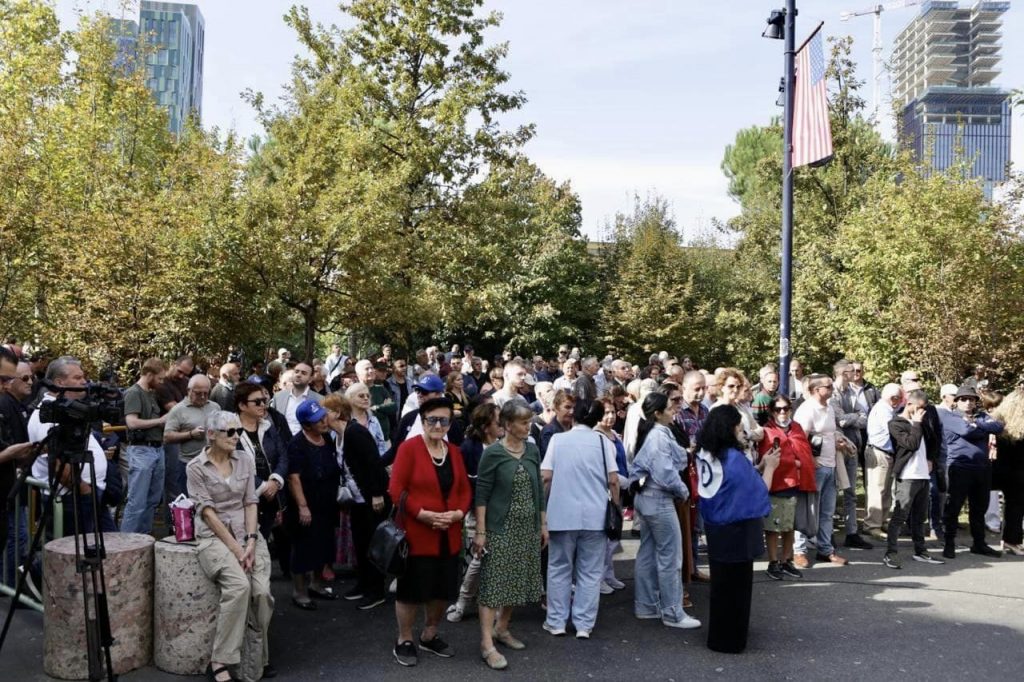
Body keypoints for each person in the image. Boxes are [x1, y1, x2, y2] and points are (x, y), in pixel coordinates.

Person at [186, 410, 275, 682]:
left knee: (261, 593)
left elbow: (251, 502)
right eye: (231, 432)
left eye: (239, 431)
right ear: (211, 434)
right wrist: (237, 550)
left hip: (247, 533)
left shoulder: (245, 460)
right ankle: (220, 660)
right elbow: (208, 514)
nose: (237, 436)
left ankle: (256, 656)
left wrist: (249, 541)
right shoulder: (195, 467)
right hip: (214, 537)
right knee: (239, 586)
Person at [388, 397, 472, 667]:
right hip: (417, 533)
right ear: (422, 421)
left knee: (441, 590)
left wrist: (458, 513)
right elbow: (396, 489)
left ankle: (429, 634)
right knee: (411, 591)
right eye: (432, 419)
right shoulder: (408, 449)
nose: (438, 424)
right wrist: (422, 514)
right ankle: (404, 639)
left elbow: (464, 490)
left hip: (449, 533)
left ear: (450, 422)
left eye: (443, 420)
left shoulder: (455, 452)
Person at [696, 405, 774, 654]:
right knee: (737, 588)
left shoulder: (706, 451)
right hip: (737, 527)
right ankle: (732, 639)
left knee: (721, 587)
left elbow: (732, 483)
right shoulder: (733, 457)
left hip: (716, 524)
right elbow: (759, 491)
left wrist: (759, 466)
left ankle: (718, 636)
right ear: (729, 427)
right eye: (739, 425)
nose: (742, 430)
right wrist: (770, 467)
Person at [473, 401, 546, 670]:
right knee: (493, 585)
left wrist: (542, 523)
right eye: (523, 422)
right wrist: (481, 531)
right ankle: (486, 644)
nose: (529, 426)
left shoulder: (533, 450)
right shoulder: (492, 453)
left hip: (527, 528)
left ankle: (502, 629)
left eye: (529, 421)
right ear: (507, 425)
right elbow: (481, 494)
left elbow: (538, 486)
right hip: (499, 528)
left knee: (517, 579)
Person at [541, 400, 619, 639]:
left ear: (573, 416)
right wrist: (616, 506)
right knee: (590, 571)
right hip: (595, 515)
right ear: (596, 418)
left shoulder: (558, 440)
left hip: (561, 513)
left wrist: (542, 510)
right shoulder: (603, 442)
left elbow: (546, 477)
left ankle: (556, 621)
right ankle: (584, 624)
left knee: (559, 568)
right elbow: (613, 480)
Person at [629, 393, 701, 629]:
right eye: (669, 408)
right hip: (659, 499)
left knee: (649, 553)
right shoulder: (658, 435)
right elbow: (664, 471)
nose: (674, 410)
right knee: (670, 557)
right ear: (657, 413)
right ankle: (672, 612)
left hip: (648, 497)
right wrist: (682, 490)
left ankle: (647, 605)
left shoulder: (654, 433)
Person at [29, 357, 115, 536]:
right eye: (77, 378)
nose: (84, 382)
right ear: (59, 382)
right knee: (72, 556)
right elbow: (57, 463)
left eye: (83, 377)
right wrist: (85, 491)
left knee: (109, 547)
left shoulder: (69, 409)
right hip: (72, 499)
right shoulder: (48, 415)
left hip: (86, 494)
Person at [321, 393, 391, 609]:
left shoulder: (356, 433)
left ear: (336, 413)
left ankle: (376, 590)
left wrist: (377, 493)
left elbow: (373, 463)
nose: (322, 417)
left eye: (325, 412)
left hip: (371, 498)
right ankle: (363, 584)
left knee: (373, 544)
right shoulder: (338, 436)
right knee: (360, 543)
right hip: (357, 499)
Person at [447, 403, 501, 623]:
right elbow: (461, 482)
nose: (503, 425)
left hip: (501, 512)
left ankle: (494, 606)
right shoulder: (469, 448)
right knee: (479, 559)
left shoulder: (504, 446)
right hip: (477, 513)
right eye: (498, 422)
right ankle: (463, 601)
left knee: (497, 561)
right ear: (486, 425)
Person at [285, 400, 342, 609]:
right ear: (306, 425)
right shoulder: (297, 444)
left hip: (327, 502)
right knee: (303, 547)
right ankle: (299, 592)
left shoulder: (326, 438)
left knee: (325, 545)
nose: (323, 422)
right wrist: (302, 506)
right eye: (317, 420)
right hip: (306, 504)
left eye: (323, 416)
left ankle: (316, 584)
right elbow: (294, 478)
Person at [938, 385, 1004, 558]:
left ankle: (979, 543)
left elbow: (998, 427)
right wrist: (979, 427)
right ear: (956, 401)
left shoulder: (981, 416)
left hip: (982, 468)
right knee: (954, 507)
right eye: (963, 399)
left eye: (971, 399)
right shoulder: (950, 417)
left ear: (976, 402)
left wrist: (976, 424)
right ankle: (949, 543)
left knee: (979, 508)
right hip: (960, 467)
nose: (967, 402)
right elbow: (965, 431)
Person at [882, 389, 945, 569]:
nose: (922, 412)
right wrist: (916, 423)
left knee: (920, 517)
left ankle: (921, 551)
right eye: (919, 408)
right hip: (908, 475)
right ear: (909, 404)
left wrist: (931, 458)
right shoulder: (896, 423)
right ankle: (891, 552)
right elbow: (911, 444)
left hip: (923, 474)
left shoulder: (922, 421)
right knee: (900, 516)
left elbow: (933, 439)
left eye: (924, 409)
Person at [792, 374, 851, 568]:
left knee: (827, 511)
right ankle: (799, 550)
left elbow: (829, 433)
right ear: (817, 390)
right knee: (808, 510)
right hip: (815, 468)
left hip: (831, 465)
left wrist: (838, 441)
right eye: (828, 386)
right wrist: (810, 459)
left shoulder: (829, 407)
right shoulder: (807, 410)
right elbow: (798, 439)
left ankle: (825, 550)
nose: (832, 388)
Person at [759, 394, 815, 580]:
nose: (782, 412)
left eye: (786, 408)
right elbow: (768, 458)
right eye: (778, 409)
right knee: (774, 526)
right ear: (772, 411)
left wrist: (801, 464)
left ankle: (786, 561)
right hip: (776, 483)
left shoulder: (797, 427)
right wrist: (794, 463)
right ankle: (773, 563)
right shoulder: (767, 431)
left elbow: (805, 452)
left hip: (796, 484)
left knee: (790, 525)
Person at [233, 382, 289, 542]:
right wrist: (263, 486)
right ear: (242, 405)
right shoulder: (230, 429)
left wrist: (275, 481)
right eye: (257, 402)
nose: (263, 405)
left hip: (272, 497)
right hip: (244, 499)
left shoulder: (268, 426)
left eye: (264, 401)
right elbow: (234, 464)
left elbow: (283, 455)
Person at [121, 357, 169, 534]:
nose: (161, 382)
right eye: (160, 378)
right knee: (137, 501)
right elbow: (132, 422)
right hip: (141, 449)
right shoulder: (134, 393)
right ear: (150, 375)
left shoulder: (150, 393)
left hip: (156, 448)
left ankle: (144, 538)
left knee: (152, 500)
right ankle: (127, 543)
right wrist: (160, 421)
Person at [164, 375, 221, 498]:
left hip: (213, 463)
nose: (202, 396)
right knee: (188, 502)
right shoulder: (178, 410)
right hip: (188, 464)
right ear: (189, 391)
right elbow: (167, 436)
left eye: (206, 393)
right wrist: (190, 434)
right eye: (198, 393)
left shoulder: (215, 407)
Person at [595, 396, 628, 593]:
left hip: (620, 489)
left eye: (612, 412)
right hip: (607, 492)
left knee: (614, 537)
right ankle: (599, 578)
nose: (610, 416)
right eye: (605, 412)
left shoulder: (614, 434)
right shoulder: (597, 437)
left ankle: (609, 574)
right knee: (605, 537)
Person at [992, 386, 1024, 555]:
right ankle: (1012, 541)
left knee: (1013, 506)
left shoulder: (1000, 425)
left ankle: (1011, 540)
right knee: (1015, 506)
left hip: (1003, 469)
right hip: (1015, 471)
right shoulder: (1017, 429)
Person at [271, 363, 324, 436]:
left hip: (306, 443)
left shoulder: (319, 399)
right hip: (281, 442)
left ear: (310, 379)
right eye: (296, 372)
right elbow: (271, 421)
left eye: (304, 373)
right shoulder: (279, 397)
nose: (298, 375)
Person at [345, 382, 388, 457]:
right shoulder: (344, 421)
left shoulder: (374, 420)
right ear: (350, 399)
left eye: (368, 396)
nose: (366, 398)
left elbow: (381, 445)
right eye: (361, 396)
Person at [539, 390, 574, 457]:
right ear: (556, 408)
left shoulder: (575, 429)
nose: (572, 411)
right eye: (567, 407)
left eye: (574, 408)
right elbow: (549, 458)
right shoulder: (549, 432)